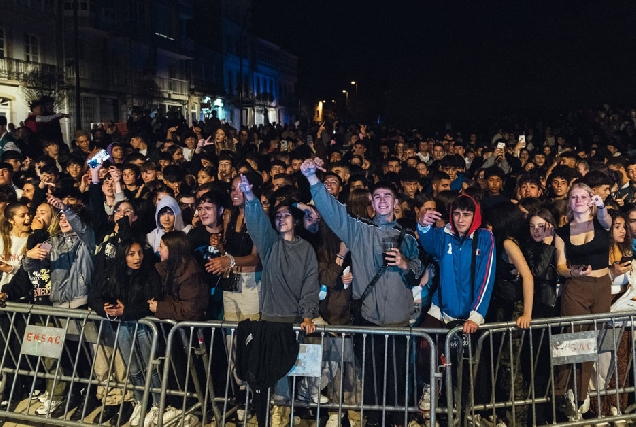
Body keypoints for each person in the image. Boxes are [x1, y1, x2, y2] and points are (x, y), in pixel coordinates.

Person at [301, 158, 422, 427]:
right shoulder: (359, 230)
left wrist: (404, 263)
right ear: (371, 200)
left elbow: (418, 271)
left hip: (401, 323)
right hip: (370, 322)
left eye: (387, 196)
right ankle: (374, 421)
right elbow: (333, 212)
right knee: (372, 380)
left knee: (399, 380)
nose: (382, 201)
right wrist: (312, 180)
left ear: (396, 202)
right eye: (377, 196)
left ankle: (399, 421)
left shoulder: (408, 236)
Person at [240, 173, 320, 426]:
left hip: (294, 322)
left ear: (296, 221)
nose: (280, 219)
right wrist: (250, 197)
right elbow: (256, 224)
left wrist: (308, 314)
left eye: (285, 215)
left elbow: (310, 283)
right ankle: (270, 417)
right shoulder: (270, 245)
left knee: (288, 377)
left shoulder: (306, 250)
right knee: (267, 376)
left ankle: (283, 416)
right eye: (277, 216)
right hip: (271, 320)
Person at [90, 238, 165, 426]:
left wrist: (127, 311)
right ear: (123, 256)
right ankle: (142, 402)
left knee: (151, 368)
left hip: (144, 326)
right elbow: (94, 296)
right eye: (131, 254)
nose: (137, 258)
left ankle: (158, 404)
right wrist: (105, 308)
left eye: (139, 253)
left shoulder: (150, 273)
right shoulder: (113, 274)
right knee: (133, 369)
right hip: (123, 326)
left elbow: (151, 304)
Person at [554, 182, 612, 418]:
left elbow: (608, 221)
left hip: (602, 287)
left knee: (591, 342)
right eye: (574, 197)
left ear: (590, 200)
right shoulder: (562, 232)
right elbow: (560, 265)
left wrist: (601, 206)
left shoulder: (601, 221)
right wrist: (572, 273)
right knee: (573, 340)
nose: (578, 200)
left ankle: (579, 397)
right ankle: (560, 395)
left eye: (583, 196)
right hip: (576, 287)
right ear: (569, 202)